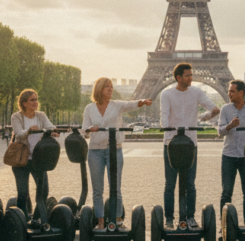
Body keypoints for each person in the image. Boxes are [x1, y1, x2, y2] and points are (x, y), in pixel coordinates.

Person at [82, 78, 152, 229]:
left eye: (111, 87)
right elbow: (84, 130)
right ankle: (100, 221)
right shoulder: (89, 108)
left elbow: (132, 104)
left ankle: (118, 219)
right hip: (95, 151)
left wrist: (143, 101)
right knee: (97, 189)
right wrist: (89, 129)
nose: (110, 89)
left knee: (116, 187)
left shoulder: (117, 105)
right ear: (99, 89)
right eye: (107, 87)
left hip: (115, 149)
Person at [160, 63, 220, 229]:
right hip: (171, 143)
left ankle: (190, 217)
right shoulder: (167, 94)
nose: (191, 78)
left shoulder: (196, 92)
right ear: (179, 78)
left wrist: (206, 116)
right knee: (170, 184)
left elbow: (211, 107)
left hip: (190, 144)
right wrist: (166, 125)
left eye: (191, 75)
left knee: (190, 184)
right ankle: (169, 218)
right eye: (188, 76)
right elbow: (164, 115)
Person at [217, 80, 245, 223]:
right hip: (228, 155)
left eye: (232, 91)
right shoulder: (225, 109)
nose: (229, 93)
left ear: (241, 93)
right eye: (229, 91)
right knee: (226, 193)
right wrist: (230, 126)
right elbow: (219, 132)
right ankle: (224, 225)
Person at [10, 89, 56, 222]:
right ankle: (21, 221)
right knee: (23, 193)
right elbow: (18, 134)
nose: (36, 102)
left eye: (36, 99)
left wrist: (52, 132)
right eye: (32, 100)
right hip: (21, 160)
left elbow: (49, 126)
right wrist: (28, 131)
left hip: (38, 159)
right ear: (24, 103)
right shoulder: (16, 116)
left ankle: (36, 218)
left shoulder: (41, 115)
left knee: (44, 191)